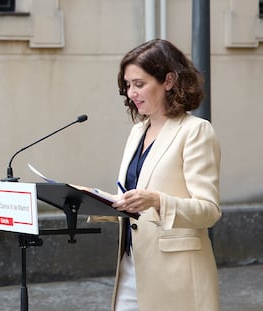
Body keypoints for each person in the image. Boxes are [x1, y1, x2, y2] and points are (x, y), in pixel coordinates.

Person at [91, 39, 221, 311]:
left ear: (169, 81)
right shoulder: (138, 131)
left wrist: (158, 200)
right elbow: (135, 199)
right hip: (131, 266)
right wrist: (93, 201)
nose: (131, 93)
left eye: (139, 84)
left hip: (177, 275)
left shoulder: (196, 131)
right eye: (127, 85)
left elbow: (209, 211)